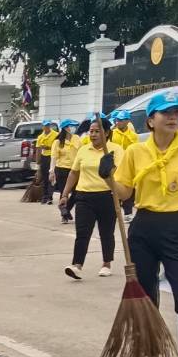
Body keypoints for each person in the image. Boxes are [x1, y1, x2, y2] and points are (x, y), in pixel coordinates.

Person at [109, 91, 178, 357]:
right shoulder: (135, 152)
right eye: (166, 112)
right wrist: (109, 177)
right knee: (144, 295)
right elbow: (124, 193)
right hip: (144, 227)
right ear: (151, 120)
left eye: (177, 112)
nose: (173, 117)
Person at [59, 115, 121, 281]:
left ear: (107, 133)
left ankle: (106, 264)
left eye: (97, 131)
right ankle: (77, 265)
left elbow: (121, 174)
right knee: (82, 232)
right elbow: (74, 173)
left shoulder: (115, 150)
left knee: (106, 232)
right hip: (84, 196)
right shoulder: (83, 150)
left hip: (107, 196)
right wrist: (65, 194)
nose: (92, 134)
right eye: (91, 131)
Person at [52, 121, 79, 218]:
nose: (73, 128)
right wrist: (51, 171)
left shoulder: (76, 138)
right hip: (62, 169)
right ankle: (64, 214)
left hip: (75, 169)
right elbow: (54, 157)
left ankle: (66, 209)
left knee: (77, 192)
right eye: (72, 126)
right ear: (66, 128)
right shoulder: (58, 142)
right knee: (64, 192)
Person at [38, 121, 60, 203]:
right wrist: (38, 162)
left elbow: (58, 146)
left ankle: (50, 197)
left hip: (52, 157)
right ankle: (44, 196)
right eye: (45, 126)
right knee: (44, 178)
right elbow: (38, 149)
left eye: (47, 125)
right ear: (43, 127)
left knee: (51, 177)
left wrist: (48, 147)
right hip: (44, 158)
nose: (46, 127)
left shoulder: (56, 135)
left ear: (49, 126)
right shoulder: (40, 137)